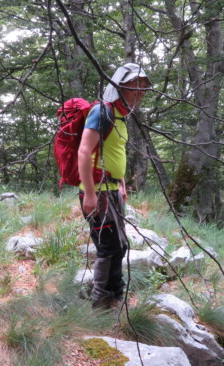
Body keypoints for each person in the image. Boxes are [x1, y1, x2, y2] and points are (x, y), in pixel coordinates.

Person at [78, 63, 151, 308]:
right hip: (98, 193)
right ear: (120, 86)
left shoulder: (120, 116)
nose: (140, 93)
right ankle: (100, 303)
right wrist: (90, 194)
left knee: (120, 245)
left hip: (111, 191)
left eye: (143, 88)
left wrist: (121, 184)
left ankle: (115, 296)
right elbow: (84, 151)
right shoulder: (103, 111)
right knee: (108, 248)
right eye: (135, 87)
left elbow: (113, 153)